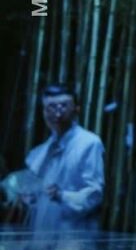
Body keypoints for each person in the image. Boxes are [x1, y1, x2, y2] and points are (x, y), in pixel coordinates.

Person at [24, 84, 104, 233]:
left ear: (76, 110)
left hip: (73, 235)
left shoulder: (89, 143)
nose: (57, 114)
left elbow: (94, 195)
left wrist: (62, 195)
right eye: (51, 107)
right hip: (41, 235)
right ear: (43, 112)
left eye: (63, 106)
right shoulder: (38, 152)